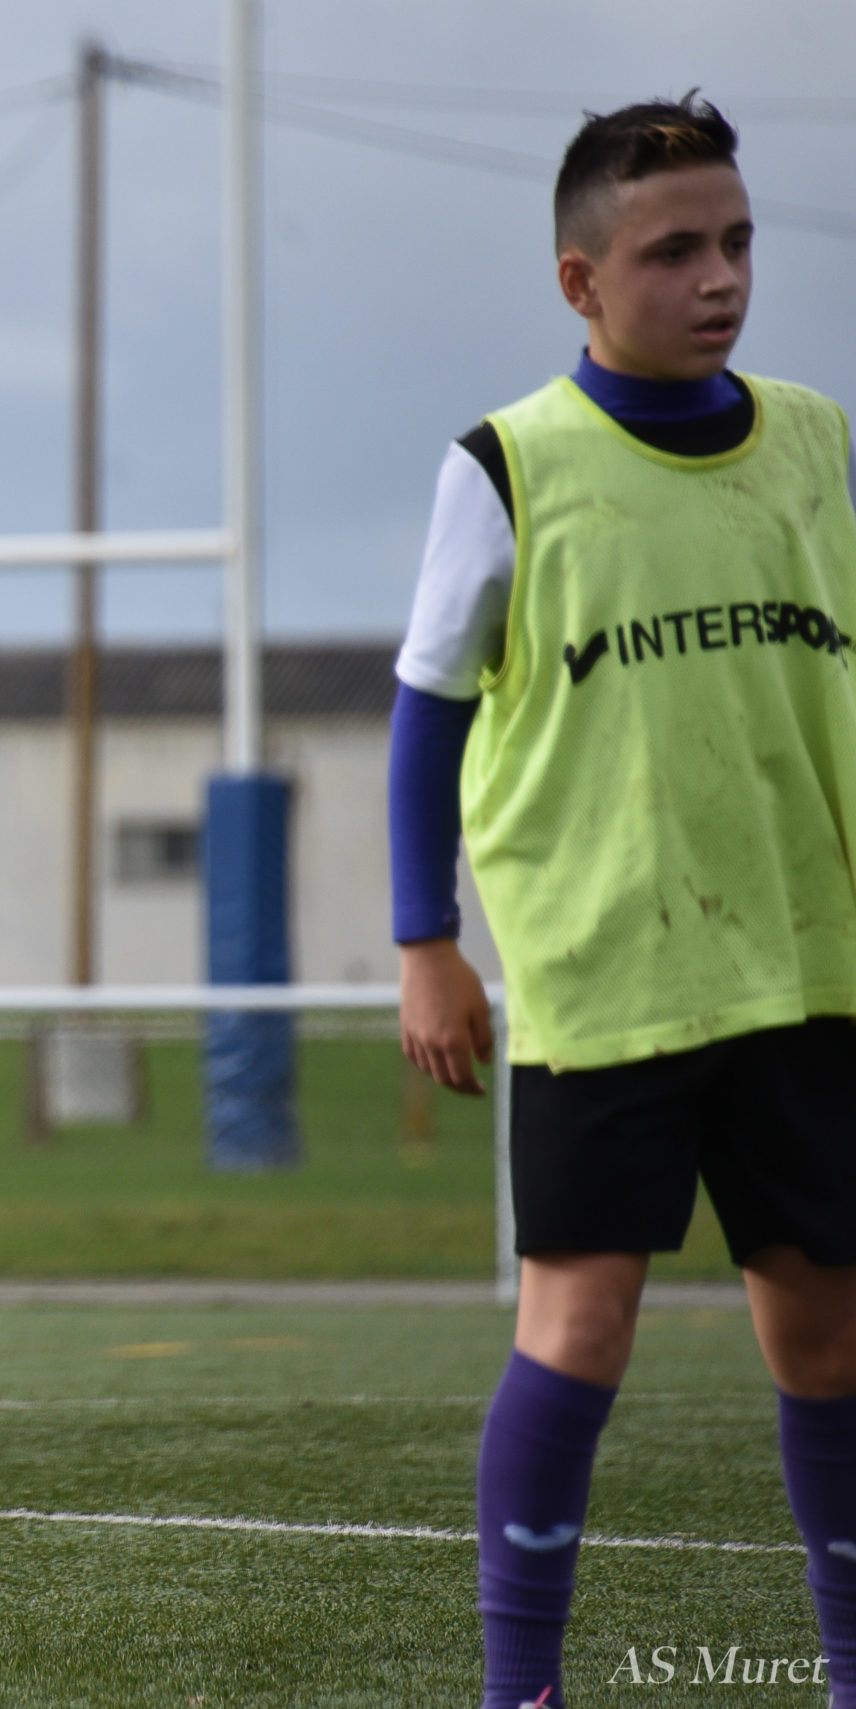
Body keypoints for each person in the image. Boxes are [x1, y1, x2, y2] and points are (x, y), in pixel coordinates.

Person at [390, 96, 856, 1709]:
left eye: (737, 242)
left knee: (829, 1339)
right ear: (581, 282)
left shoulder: (816, 441)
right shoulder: (510, 465)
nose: (718, 277)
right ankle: (522, 1687)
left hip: (806, 964)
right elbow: (425, 715)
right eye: (672, 252)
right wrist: (426, 941)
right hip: (609, 980)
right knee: (579, 1327)